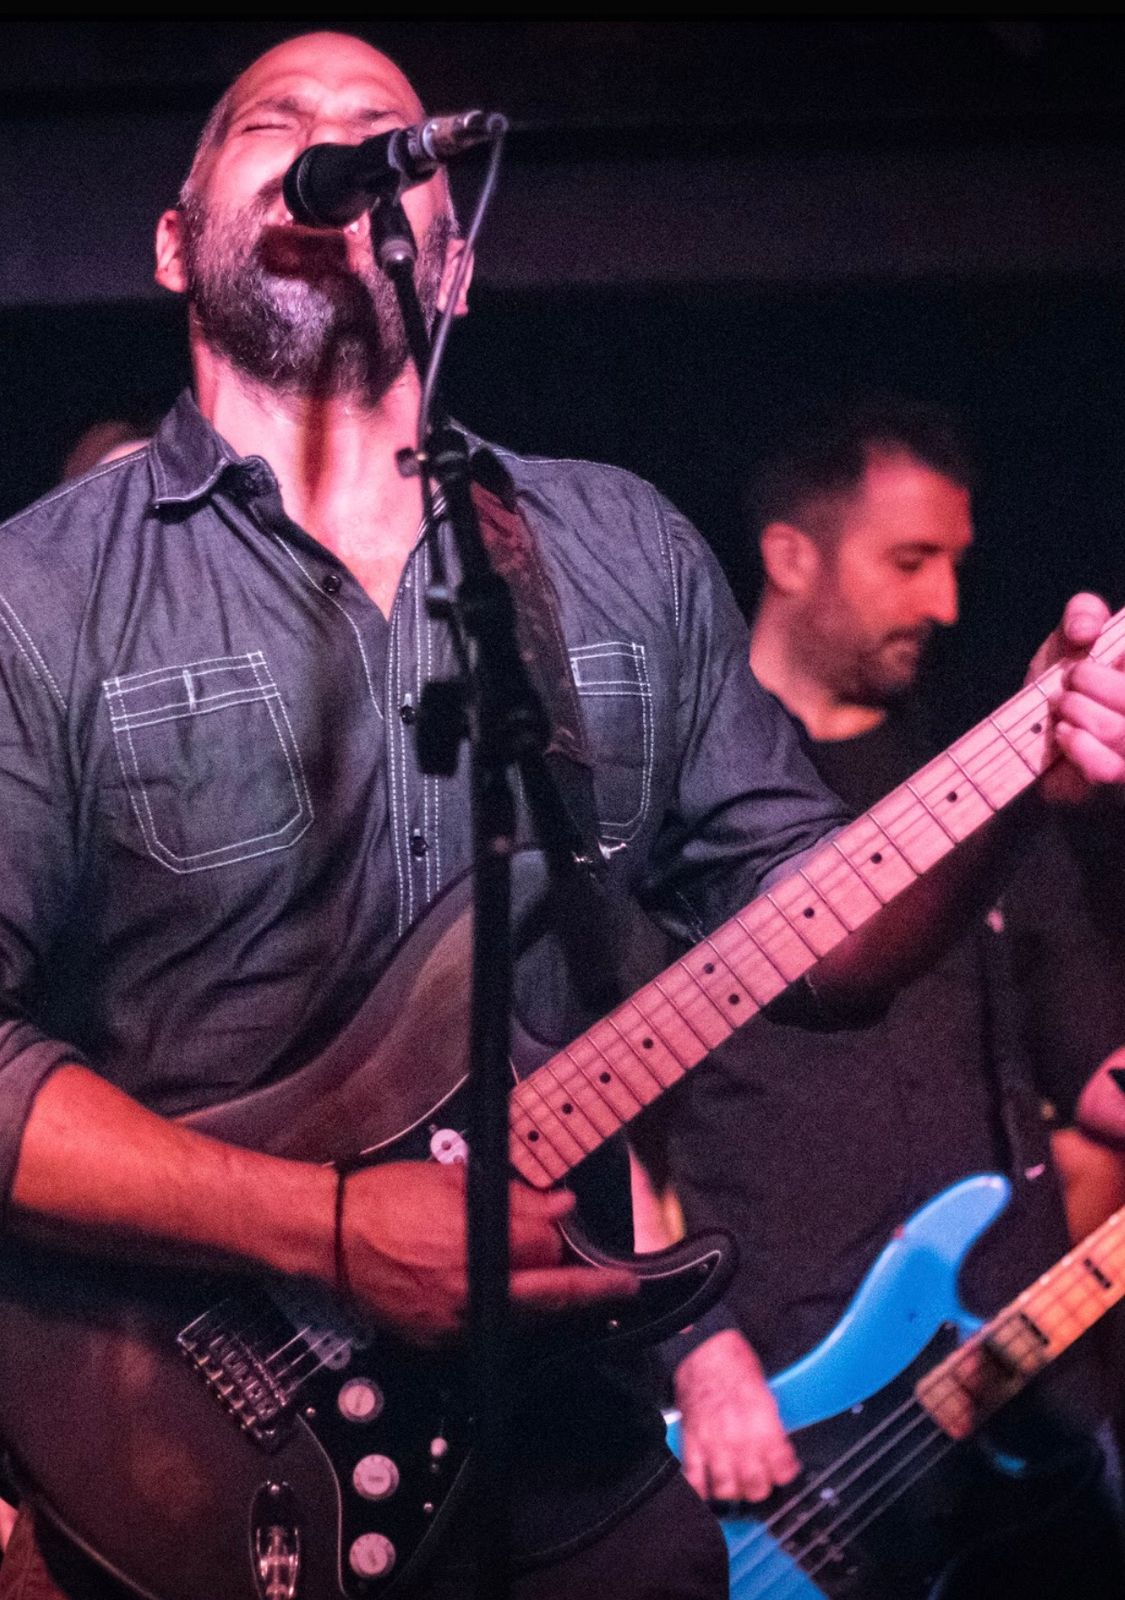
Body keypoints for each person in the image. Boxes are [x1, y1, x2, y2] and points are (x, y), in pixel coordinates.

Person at [0, 33, 1123, 1600]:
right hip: (170, 1451)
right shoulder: (40, 596)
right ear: (177, 245)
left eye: (383, 127)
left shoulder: (615, 550)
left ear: (451, 264)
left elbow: (816, 937)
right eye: (275, 120)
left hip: (573, 1462)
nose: (334, 137)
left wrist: (1015, 773)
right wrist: (329, 1227)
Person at [631, 396, 1125, 1597]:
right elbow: (606, 1148)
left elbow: (1094, 1076)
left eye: (956, 563)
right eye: (910, 561)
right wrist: (698, 1352)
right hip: (797, 1441)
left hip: (1032, 1410)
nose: (946, 602)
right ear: (790, 554)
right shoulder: (670, 825)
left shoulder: (983, 796)